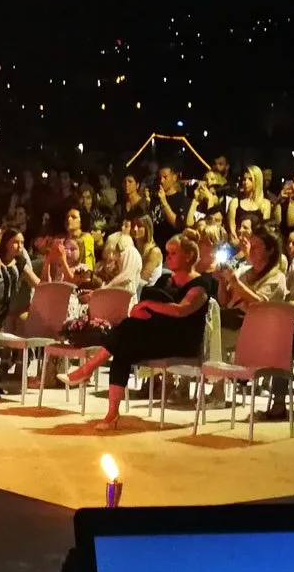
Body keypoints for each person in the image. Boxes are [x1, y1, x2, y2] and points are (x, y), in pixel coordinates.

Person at [59, 232, 217, 430]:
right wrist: (139, 310)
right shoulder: (165, 280)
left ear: (189, 256)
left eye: (174, 253)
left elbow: (181, 310)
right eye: (167, 253)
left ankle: (87, 370)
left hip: (181, 342)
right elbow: (145, 306)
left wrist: (148, 305)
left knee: (126, 332)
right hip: (156, 337)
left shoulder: (201, 284)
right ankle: (111, 412)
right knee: (123, 347)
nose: (168, 257)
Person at [152, 165, 193, 248]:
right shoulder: (154, 199)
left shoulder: (183, 200)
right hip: (155, 246)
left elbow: (177, 225)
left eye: (165, 177)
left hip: (173, 247)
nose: (161, 181)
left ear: (174, 177)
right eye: (160, 178)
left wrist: (164, 202)